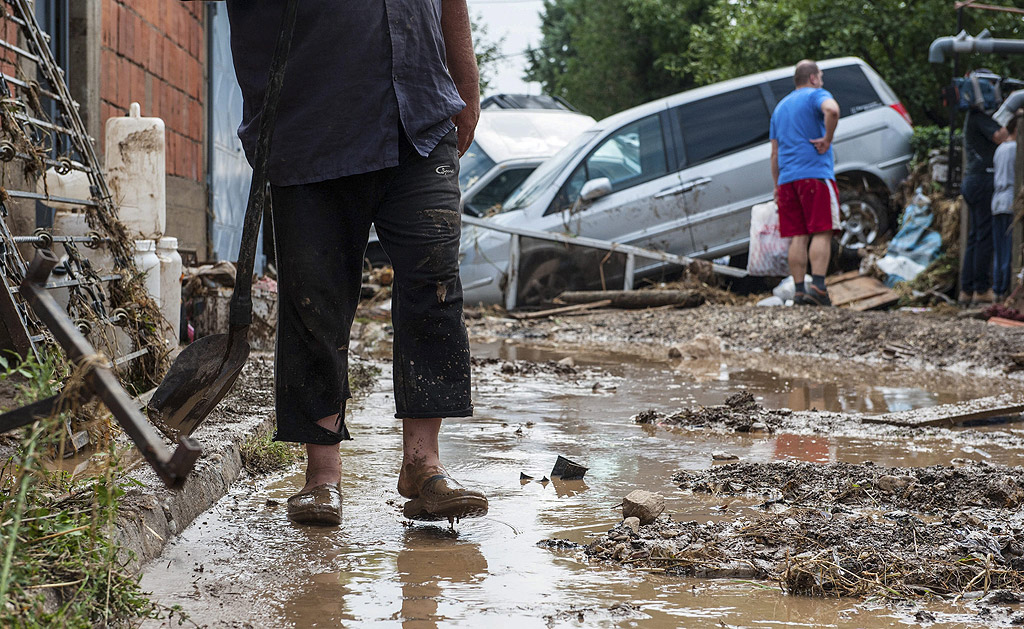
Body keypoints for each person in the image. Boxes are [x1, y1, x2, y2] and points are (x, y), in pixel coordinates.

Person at [224, 0, 487, 525]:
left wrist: (466, 90)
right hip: (310, 118)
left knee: (434, 281)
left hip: (418, 110)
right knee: (313, 297)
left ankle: (423, 464)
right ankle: (322, 476)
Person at [770, 60, 841, 306]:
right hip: (814, 176)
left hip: (788, 181)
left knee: (797, 236)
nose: (821, 80)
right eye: (820, 76)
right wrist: (827, 139)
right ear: (812, 78)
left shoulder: (780, 108)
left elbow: (774, 153)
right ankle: (819, 288)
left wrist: (777, 185)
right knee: (822, 231)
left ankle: (799, 291)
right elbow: (832, 110)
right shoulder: (816, 95)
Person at [960, 78, 1008, 306]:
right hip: (982, 180)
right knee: (985, 237)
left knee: (974, 237)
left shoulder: (972, 117)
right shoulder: (980, 117)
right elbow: (1001, 137)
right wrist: (1011, 115)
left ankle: (966, 289)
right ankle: (981, 290)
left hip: (972, 180)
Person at [992, 113, 1018, 302]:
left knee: (999, 248)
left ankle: (997, 289)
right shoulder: (1016, 148)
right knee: (1009, 248)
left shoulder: (1000, 149)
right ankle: (1005, 290)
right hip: (1010, 199)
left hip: (997, 200)